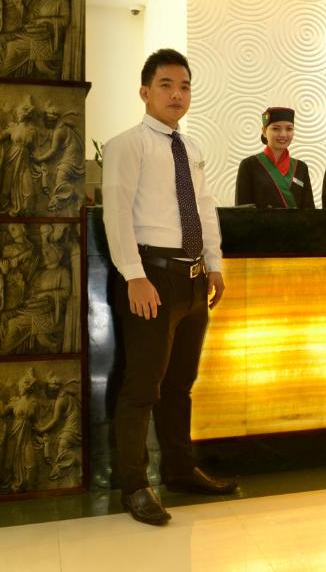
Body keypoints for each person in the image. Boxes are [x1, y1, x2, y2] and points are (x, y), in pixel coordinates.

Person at [102, 48, 235, 527]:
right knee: (142, 387)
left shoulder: (191, 147)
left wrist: (214, 264)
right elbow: (115, 213)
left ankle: (180, 470)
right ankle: (134, 485)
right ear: (145, 91)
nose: (176, 94)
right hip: (150, 279)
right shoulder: (126, 145)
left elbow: (205, 208)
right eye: (166, 85)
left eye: (184, 87)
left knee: (180, 385)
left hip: (193, 281)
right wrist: (133, 275)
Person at [234, 107, 314, 209]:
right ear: (264, 131)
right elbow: (241, 212)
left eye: (289, 129)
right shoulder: (249, 165)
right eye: (276, 128)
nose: (283, 134)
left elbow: (309, 212)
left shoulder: (301, 167)